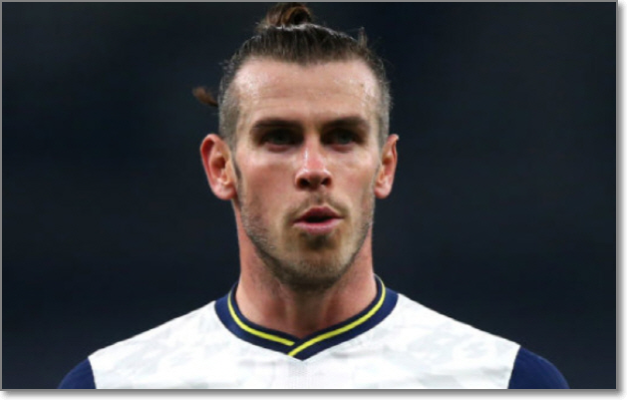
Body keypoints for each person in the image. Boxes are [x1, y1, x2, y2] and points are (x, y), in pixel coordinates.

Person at [58, 3, 569, 389]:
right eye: (279, 138)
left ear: (384, 166)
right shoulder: (112, 385)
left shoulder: (506, 382)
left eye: (342, 137)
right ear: (221, 167)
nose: (313, 170)